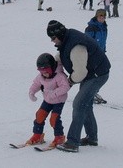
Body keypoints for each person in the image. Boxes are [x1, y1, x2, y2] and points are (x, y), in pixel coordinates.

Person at [46, 20, 111, 152]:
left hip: (97, 74)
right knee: (86, 105)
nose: (52, 41)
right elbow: (63, 54)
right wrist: (51, 65)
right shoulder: (67, 39)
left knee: (79, 104)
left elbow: (81, 73)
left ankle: (72, 142)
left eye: (53, 38)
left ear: (59, 34)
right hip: (90, 73)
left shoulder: (76, 46)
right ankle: (92, 138)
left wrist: (69, 82)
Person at [26, 53, 70, 148]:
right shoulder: (41, 76)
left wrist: (54, 94)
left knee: (54, 119)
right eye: (41, 71)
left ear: (52, 67)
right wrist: (32, 92)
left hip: (58, 101)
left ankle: (59, 137)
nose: (44, 73)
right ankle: (37, 135)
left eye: (46, 70)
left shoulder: (59, 76)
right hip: (47, 100)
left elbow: (65, 87)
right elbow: (36, 84)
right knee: (39, 115)